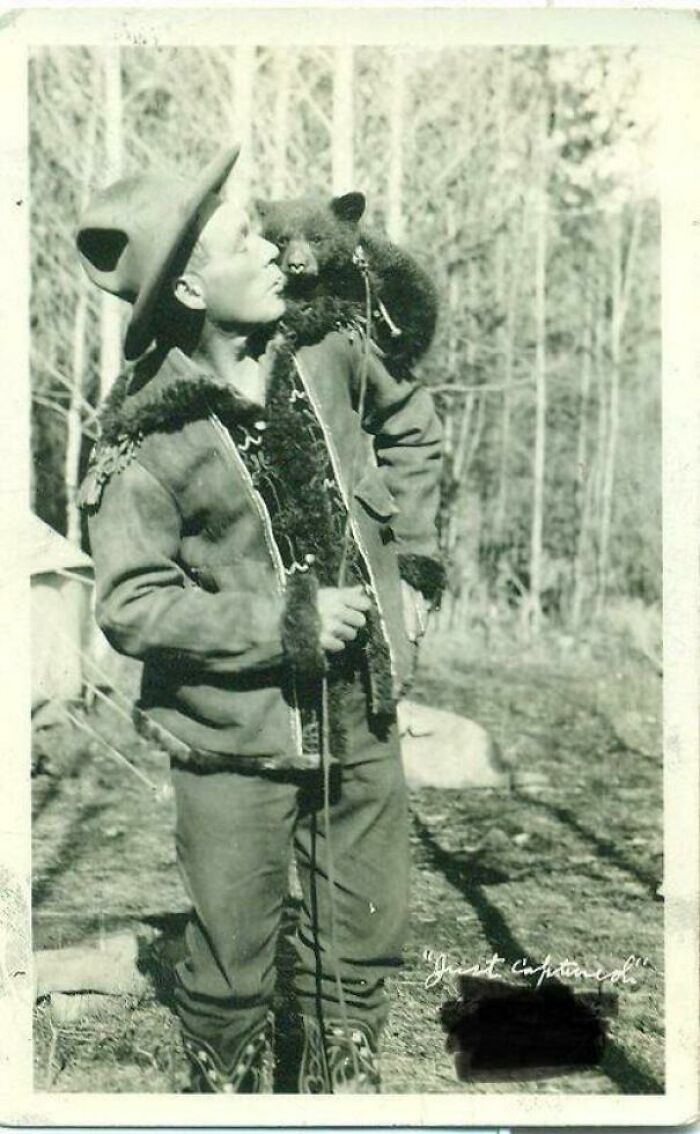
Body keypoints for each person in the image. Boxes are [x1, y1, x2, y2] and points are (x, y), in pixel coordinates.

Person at [76, 144, 444, 1093]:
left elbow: (410, 425)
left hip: (363, 711)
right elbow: (131, 603)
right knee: (234, 964)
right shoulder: (145, 440)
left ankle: (341, 1095)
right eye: (248, 238)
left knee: (359, 940)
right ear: (192, 286)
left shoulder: (326, 346)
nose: (280, 252)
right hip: (234, 738)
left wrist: (412, 564)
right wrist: (281, 622)